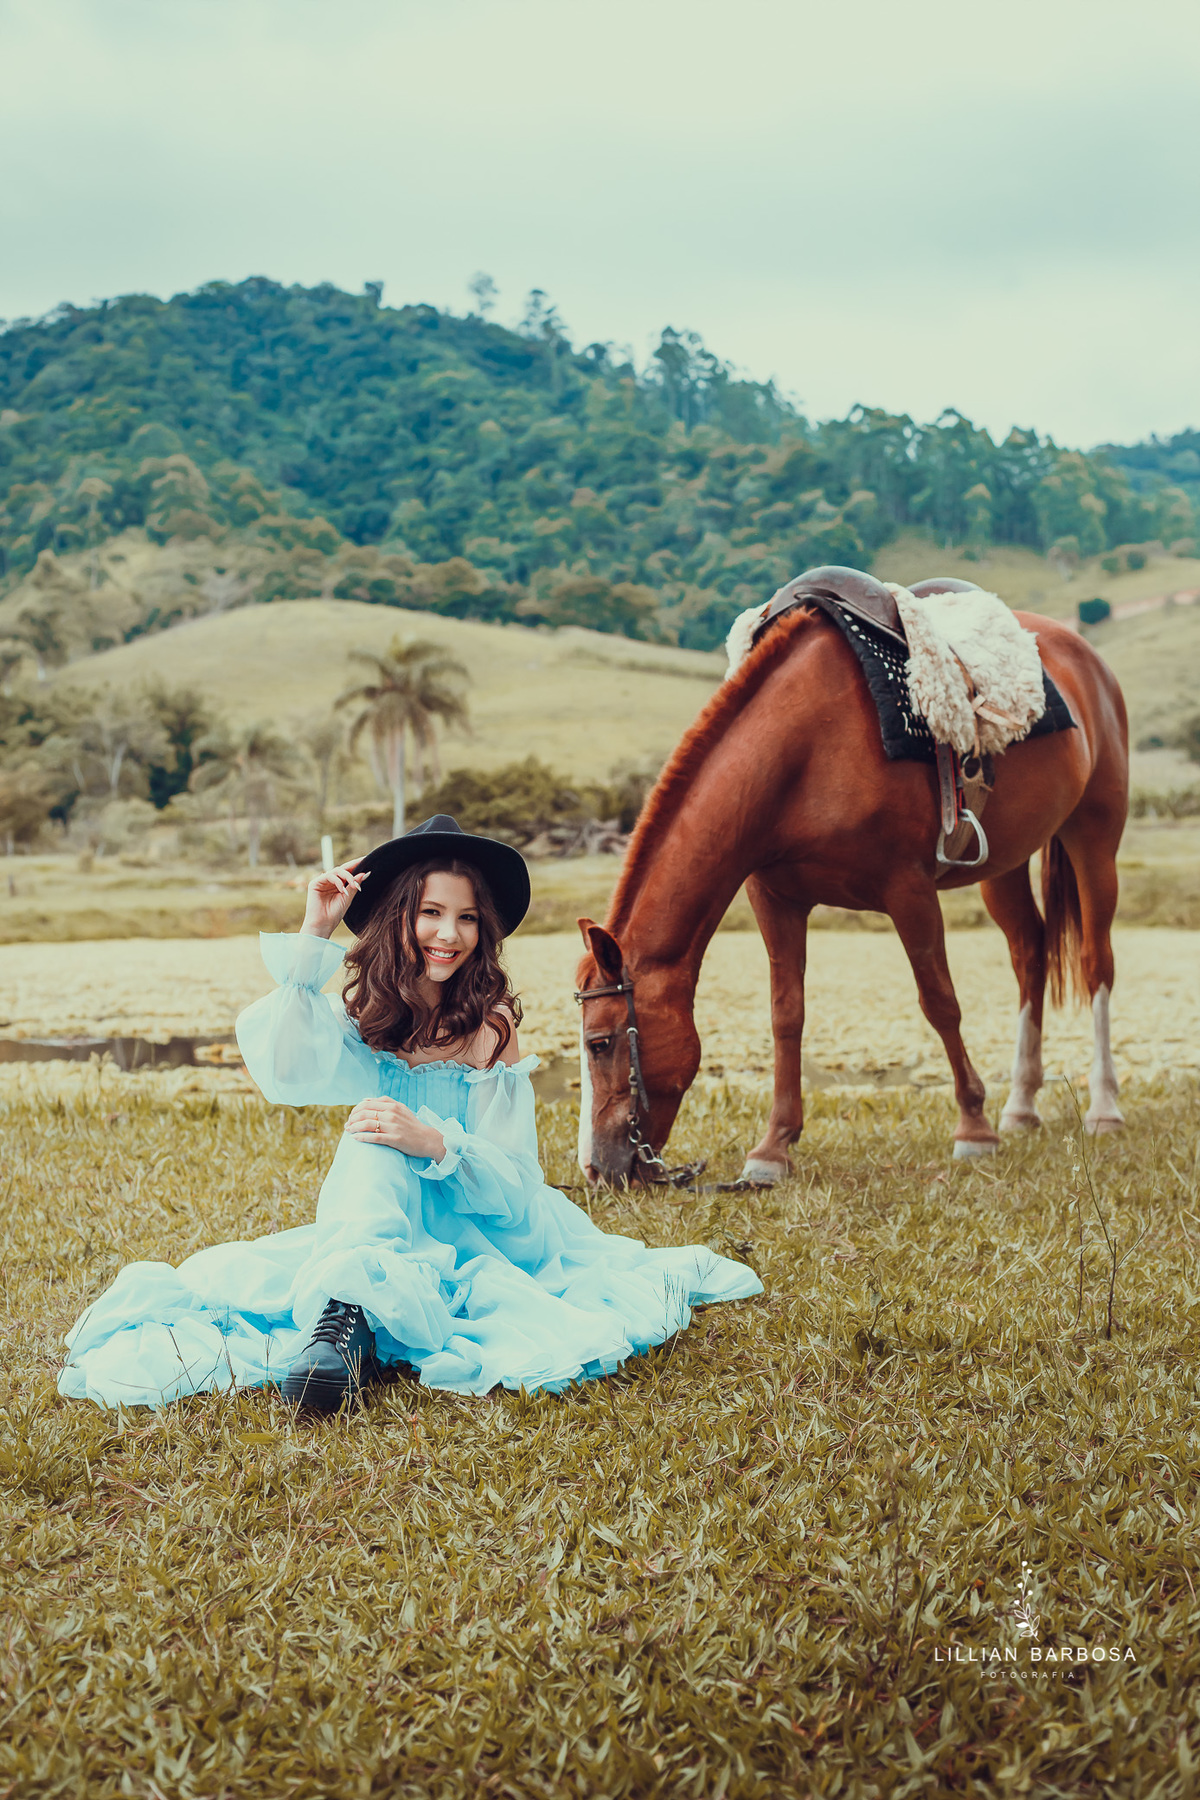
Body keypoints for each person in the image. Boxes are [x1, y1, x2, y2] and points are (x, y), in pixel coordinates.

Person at [58, 816, 763, 1415]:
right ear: (401, 915)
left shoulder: (491, 1029)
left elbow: (517, 1194)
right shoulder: (362, 1019)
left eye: (464, 917)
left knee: (383, 1128)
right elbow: (286, 1069)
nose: (448, 935)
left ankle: (349, 1322)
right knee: (372, 1125)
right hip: (381, 1224)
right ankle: (347, 1324)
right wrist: (315, 929)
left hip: (479, 1236)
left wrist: (433, 1143)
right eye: (431, 912)